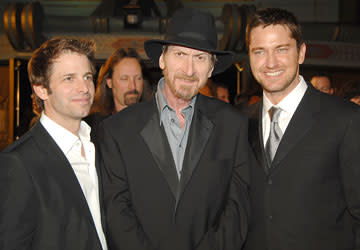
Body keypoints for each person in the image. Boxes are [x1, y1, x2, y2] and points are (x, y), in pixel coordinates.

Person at [100, 8, 250, 250]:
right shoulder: (117, 130)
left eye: (200, 58)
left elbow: (238, 209)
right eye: (180, 54)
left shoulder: (233, 125)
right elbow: (116, 212)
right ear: (162, 60)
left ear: (211, 68)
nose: (189, 70)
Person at [244, 8, 360, 250]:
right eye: (259, 52)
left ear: (302, 53)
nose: (270, 62)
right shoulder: (239, 122)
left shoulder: (346, 119)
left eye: (282, 49)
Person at [0, 37, 108, 250]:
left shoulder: (101, 143)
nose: (84, 88)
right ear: (41, 89)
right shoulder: (18, 162)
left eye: (87, 76)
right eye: (69, 78)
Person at [86, 48, 144, 140]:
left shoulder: (154, 122)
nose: (132, 86)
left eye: (138, 78)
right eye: (124, 78)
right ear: (109, 82)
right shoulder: (92, 127)